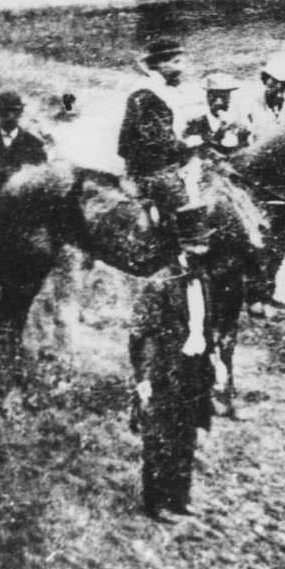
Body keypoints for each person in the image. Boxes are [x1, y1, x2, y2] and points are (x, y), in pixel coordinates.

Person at [118, 38, 210, 356]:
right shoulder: (147, 96)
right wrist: (188, 145)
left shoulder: (160, 93)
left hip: (159, 168)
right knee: (190, 239)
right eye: (176, 62)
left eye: (181, 61)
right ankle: (191, 261)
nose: (182, 67)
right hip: (153, 173)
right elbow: (153, 144)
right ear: (161, 64)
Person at [129, 273, 215, 522]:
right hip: (164, 371)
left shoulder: (203, 282)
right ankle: (155, 502)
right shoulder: (160, 284)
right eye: (194, 245)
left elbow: (205, 328)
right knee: (160, 435)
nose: (202, 250)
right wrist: (144, 377)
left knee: (186, 434)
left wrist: (213, 361)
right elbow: (142, 334)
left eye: (204, 244)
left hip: (194, 369)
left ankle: (178, 498)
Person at [0, 91, 47, 196]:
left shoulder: (34, 144)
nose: (10, 115)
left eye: (14, 110)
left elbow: (39, 178)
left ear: (21, 112)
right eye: (5, 110)